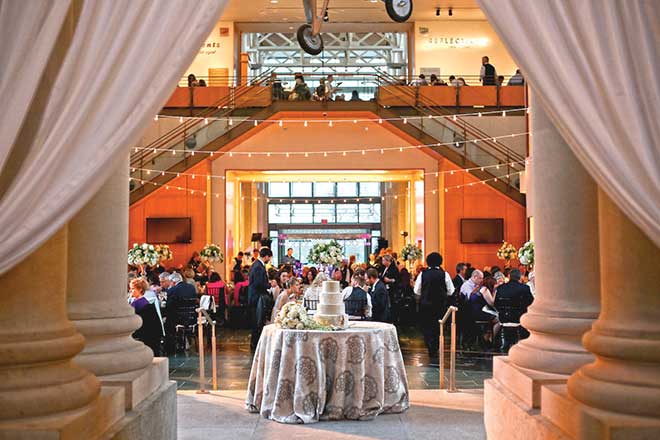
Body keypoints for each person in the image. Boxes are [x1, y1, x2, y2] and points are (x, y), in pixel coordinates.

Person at [413, 252, 455, 360]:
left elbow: (416, 290)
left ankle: (429, 345)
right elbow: (451, 291)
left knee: (427, 326)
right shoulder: (444, 274)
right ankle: (435, 347)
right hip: (440, 305)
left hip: (425, 305)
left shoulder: (423, 274)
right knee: (438, 327)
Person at [163, 272, 197, 355]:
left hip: (178, 319)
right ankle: (184, 340)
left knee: (167, 320)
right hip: (192, 317)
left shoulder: (172, 290)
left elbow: (168, 307)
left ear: (173, 282)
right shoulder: (191, 288)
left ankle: (170, 346)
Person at [130, 278, 164, 356]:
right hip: (152, 334)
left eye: (132, 289)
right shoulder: (145, 302)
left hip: (143, 333)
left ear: (140, 289)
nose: (131, 291)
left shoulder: (136, 304)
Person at [248, 247, 273, 349]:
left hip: (255, 296)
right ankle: (255, 343)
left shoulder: (257, 265)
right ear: (266, 256)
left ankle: (255, 342)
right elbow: (258, 283)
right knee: (257, 321)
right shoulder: (258, 266)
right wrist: (269, 285)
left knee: (256, 320)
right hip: (257, 297)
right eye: (269, 257)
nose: (269, 260)